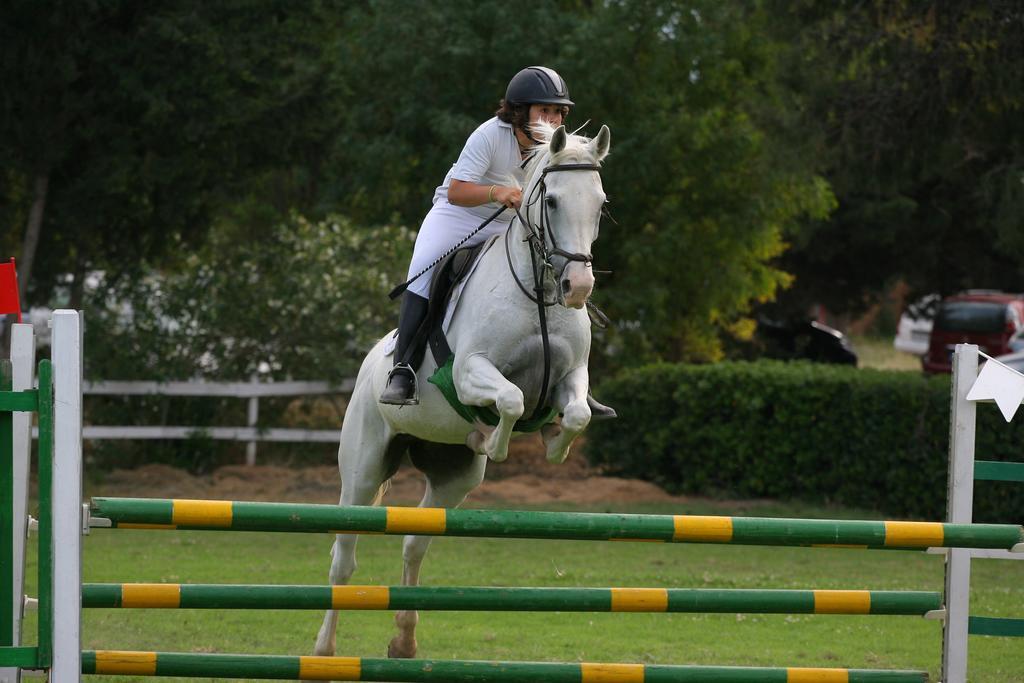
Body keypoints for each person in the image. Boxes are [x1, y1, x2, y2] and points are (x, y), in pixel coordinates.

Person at [380, 66, 614, 421]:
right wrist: (497, 191)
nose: (551, 118)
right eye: (544, 110)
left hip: (510, 219)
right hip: (459, 215)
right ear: (520, 112)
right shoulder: (489, 135)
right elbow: (458, 191)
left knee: (557, 267)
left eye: (557, 112)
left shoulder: (559, 148)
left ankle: (576, 384)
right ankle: (403, 369)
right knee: (423, 274)